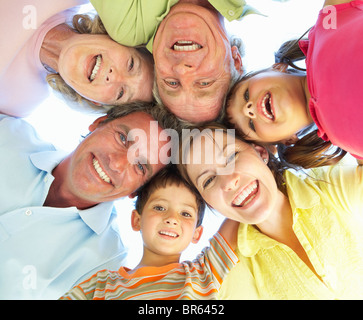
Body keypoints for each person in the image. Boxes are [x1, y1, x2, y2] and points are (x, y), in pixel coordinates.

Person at [0, 101, 170, 299]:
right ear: (99, 123)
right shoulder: (8, 134)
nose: (116, 163)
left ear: (136, 191)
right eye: (123, 138)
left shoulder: (106, 268)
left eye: (140, 167)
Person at [177, 124, 363, 299]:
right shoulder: (236, 268)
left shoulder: (330, 186)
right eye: (208, 181)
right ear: (209, 203)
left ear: (260, 152)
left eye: (232, 156)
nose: (228, 181)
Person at [60, 166, 239, 300]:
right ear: (137, 220)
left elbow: (242, 207)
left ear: (196, 234)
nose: (171, 218)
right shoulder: (101, 285)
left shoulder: (203, 273)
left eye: (185, 213)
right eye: (159, 207)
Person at [225, 0, 363, 168]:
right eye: (251, 125)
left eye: (246, 94)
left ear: (276, 67)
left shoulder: (328, 23)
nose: (248, 109)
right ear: (287, 140)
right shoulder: (349, 143)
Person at [89, 0, 262, 122]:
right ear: (236, 61)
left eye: (172, 83)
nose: (182, 69)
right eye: (204, 83)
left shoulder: (129, 26)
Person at [0, 1, 154, 117]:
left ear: (96, 101)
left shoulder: (20, 101)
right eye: (131, 65)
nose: (113, 76)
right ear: (123, 40)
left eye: (120, 93)